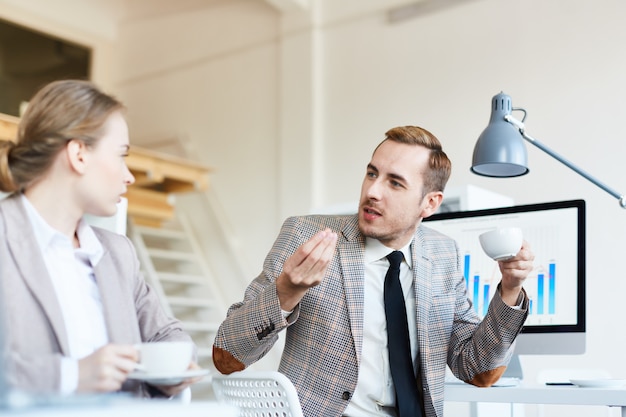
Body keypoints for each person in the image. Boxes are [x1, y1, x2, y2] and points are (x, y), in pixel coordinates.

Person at [213, 125, 535, 417]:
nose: (373, 191)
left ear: (430, 203)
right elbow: (228, 355)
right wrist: (286, 291)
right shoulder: (306, 235)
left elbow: (477, 370)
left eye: (394, 183)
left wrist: (509, 290)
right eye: (371, 174)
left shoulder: (443, 254)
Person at [0, 79, 200, 398]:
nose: (129, 176)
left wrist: (171, 365)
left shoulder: (117, 253)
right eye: (121, 155)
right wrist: (70, 375)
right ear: (79, 154)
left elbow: (169, 335)